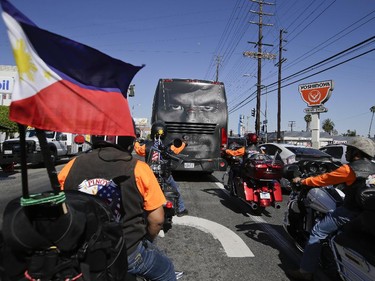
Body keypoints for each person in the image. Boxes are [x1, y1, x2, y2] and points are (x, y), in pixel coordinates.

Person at [58, 132, 178, 281]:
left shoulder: (72, 165)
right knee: (167, 271)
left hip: (82, 252)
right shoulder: (138, 168)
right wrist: (148, 239)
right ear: (128, 140)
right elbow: (157, 220)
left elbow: (59, 206)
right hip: (126, 251)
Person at [286, 136, 375, 281]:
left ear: (356, 153)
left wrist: (303, 181)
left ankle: (305, 272)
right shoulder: (373, 168)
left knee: (317, 231)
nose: (347, 153)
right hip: (366, 212)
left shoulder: (349, 169)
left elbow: (323, 179)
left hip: (350, 211)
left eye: (350, 150)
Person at [134, 120, 189, 217]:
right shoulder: (169, 145)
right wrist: (184, 143)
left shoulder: (147, 145)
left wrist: (136, 141)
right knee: (176, 190)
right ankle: (181, 209)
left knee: (138, 190)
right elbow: (177, 148)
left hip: (150, 175)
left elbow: (138, 149)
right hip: (165, 175)